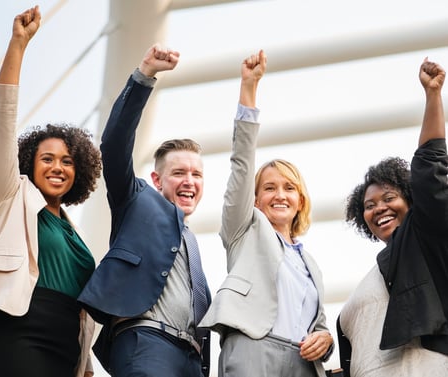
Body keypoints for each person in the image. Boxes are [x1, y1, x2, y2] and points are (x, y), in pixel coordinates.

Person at [0, 6, 102, 377]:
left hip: (66, 344)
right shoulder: (11, 196)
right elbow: (1, 124)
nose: (57, 167)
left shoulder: (74, 233)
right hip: (18, 332)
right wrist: (18, 45)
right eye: (47, 158)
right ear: (29, 165)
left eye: (67, 161)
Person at [78, 43, 211, 377]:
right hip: (147, 341)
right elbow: (114, 144)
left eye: (196, 174)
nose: (189, 181)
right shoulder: (136, 199)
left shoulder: (190, 241)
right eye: (179, 173)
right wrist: (145, 76)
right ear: (156, 179)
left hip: (192, 359)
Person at [199, 50, 334, 377]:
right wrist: (249, 89)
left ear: (300, 200)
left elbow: (319, 324)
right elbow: (242, 164)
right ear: (255, 200)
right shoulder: (244, 231)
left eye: (289, 188)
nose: (280, 195)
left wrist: (325, 340)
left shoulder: (308, 263)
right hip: (254, 348)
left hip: (302, 363)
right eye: (269, 188)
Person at [337, 58, 448, 377]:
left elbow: (430, 167)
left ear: (412, 201)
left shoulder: (426, 240)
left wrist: (433, 96)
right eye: (369, 205)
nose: (378, 208)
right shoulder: (379, 270)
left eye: (389, 198)